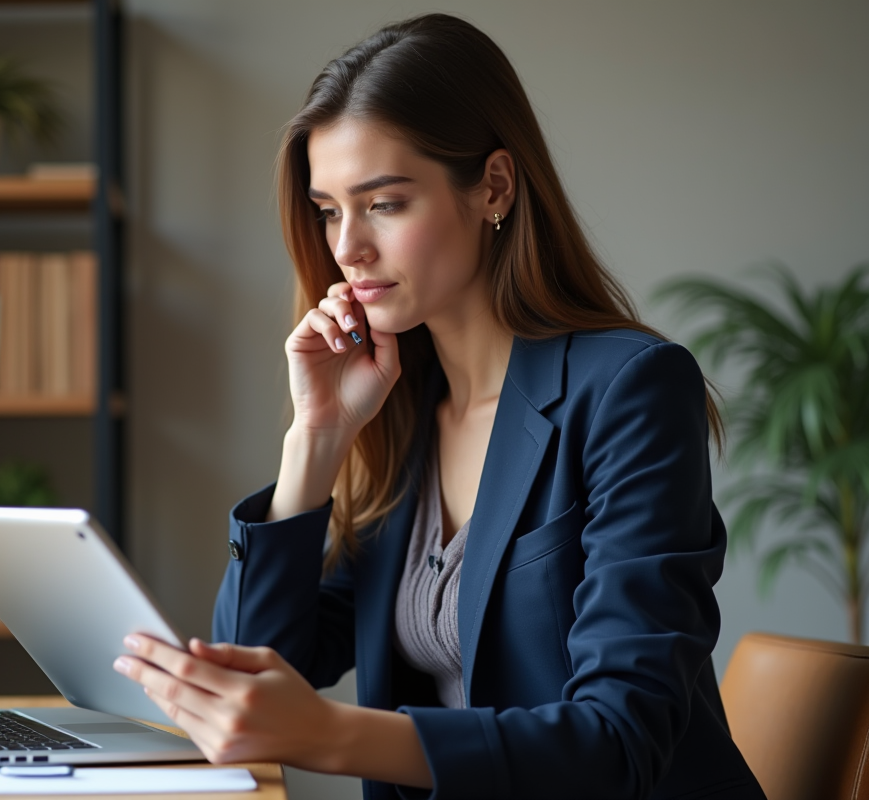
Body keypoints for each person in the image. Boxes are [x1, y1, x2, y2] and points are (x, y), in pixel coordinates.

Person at [112, 13, 766, 800]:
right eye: (328, 210)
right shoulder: (402, 407)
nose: (347, 247)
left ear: (493, 185)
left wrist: (327, 734)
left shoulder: (630, 387)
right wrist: (314, 441)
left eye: (383, 203)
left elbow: (621, 741)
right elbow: (258, 667)